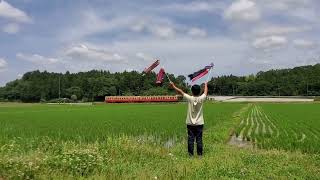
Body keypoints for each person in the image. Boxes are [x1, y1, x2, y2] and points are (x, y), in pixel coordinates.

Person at [170, 82, 208, 156]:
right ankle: (200, 155)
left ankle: (190, 155)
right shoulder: (201, 98)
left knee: (190, 139)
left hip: (190, 123)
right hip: (199, 123)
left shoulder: (190, 98)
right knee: (199, 140)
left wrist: (173, 86)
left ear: (192, 91)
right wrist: (206, 85)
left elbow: (180, 91)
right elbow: (206, 92)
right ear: (200, 91)